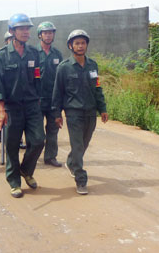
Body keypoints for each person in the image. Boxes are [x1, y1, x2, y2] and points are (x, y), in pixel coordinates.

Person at [52, 29, 108, 195]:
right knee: (77, 145)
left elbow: (97, 88)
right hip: (73, 113)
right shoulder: (64, 68)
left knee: (83, 144)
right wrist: (56, 114)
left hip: (91, 112)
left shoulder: (93, 65)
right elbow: (57, 92)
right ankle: (81, 179)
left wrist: (102, 108)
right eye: (77, 43)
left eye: (83, 43)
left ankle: (71, 162)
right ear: (71, 46)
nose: (80, 46)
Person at [0, 13, 45, 198]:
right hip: (11, 107)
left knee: (39, 140)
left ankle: (25, 170)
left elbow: (38, 78)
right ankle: (14, 181)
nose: (26, 32)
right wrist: (1, 110)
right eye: (21, 28)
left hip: (32, 105)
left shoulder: (34, 54)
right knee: (12, 146)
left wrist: (39, 99)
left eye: (27, 28)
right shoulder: (2, 55)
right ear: (12, 31)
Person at [36, 21, 63, 167]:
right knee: (37, 133)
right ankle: (33, 156)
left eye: (51, 32)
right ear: (40, 35)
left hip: (53, 100)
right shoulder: (33, 53)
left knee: (53, 130)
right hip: (37, 99)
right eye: (45, 33)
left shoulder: (57, 54)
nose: (48, 35)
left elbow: (62, 78)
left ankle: (50, 157)